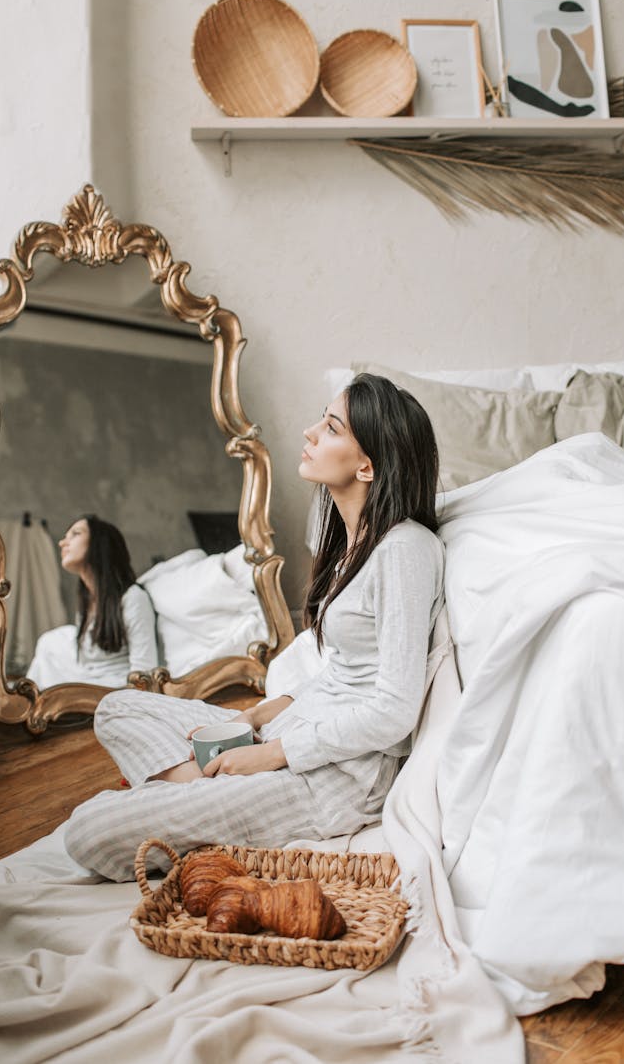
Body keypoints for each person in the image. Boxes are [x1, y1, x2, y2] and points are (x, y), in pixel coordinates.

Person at [64, 374, 445, 881]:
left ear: (367, 464)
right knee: (115, 708)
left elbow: (394, 710)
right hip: (291, 728)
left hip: (336, 775)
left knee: (87, 830)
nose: (309, 432)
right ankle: (198, 789)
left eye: (330, 428)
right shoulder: (350, 548)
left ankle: (194, 793)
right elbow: (343, 671)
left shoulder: (404, 550)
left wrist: (272, 756)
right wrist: (259, 714)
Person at [26, 514, 157, 689]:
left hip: (113, 684)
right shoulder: (87, 600)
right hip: (87, 674)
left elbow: (144, 671)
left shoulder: (133, 598)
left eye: (75, 534)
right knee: (49, 642)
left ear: (99, 544)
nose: (62, 543)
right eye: (66, 536)